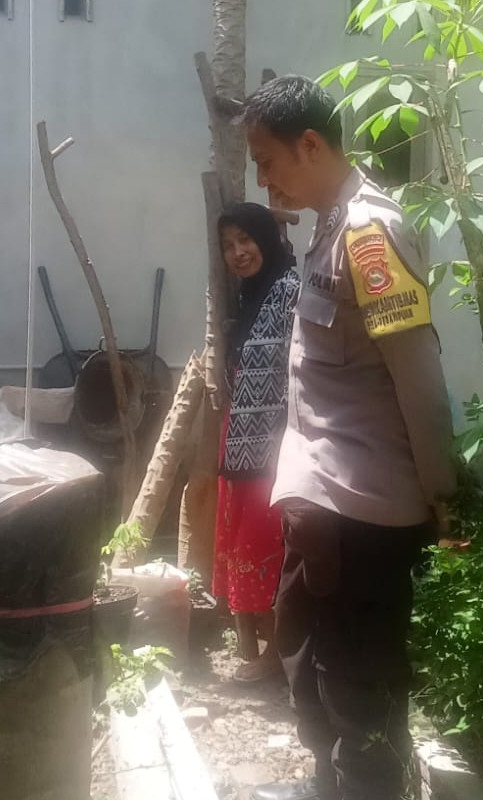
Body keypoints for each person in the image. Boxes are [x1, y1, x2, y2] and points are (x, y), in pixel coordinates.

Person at [242, 76, 458, 800]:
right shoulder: (329, 225)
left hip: (363, 512)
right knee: (309, 664)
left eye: (267, 161)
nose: (264, 179)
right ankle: (328, 785)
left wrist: (445, 495)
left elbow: (417, 374)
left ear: (310, 144)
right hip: (323, 503)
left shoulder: (369, 233)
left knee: (357, 682)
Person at [212, 202, 302, 683]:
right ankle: (264, 652)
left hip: (274, 446)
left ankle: (277, 657)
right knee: (247, 546)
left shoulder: (290, 292)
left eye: (246, 240)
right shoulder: (248, 297)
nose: (238, 252)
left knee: (270, 546)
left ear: (266, 239)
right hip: (241, 442)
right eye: (228, 245)